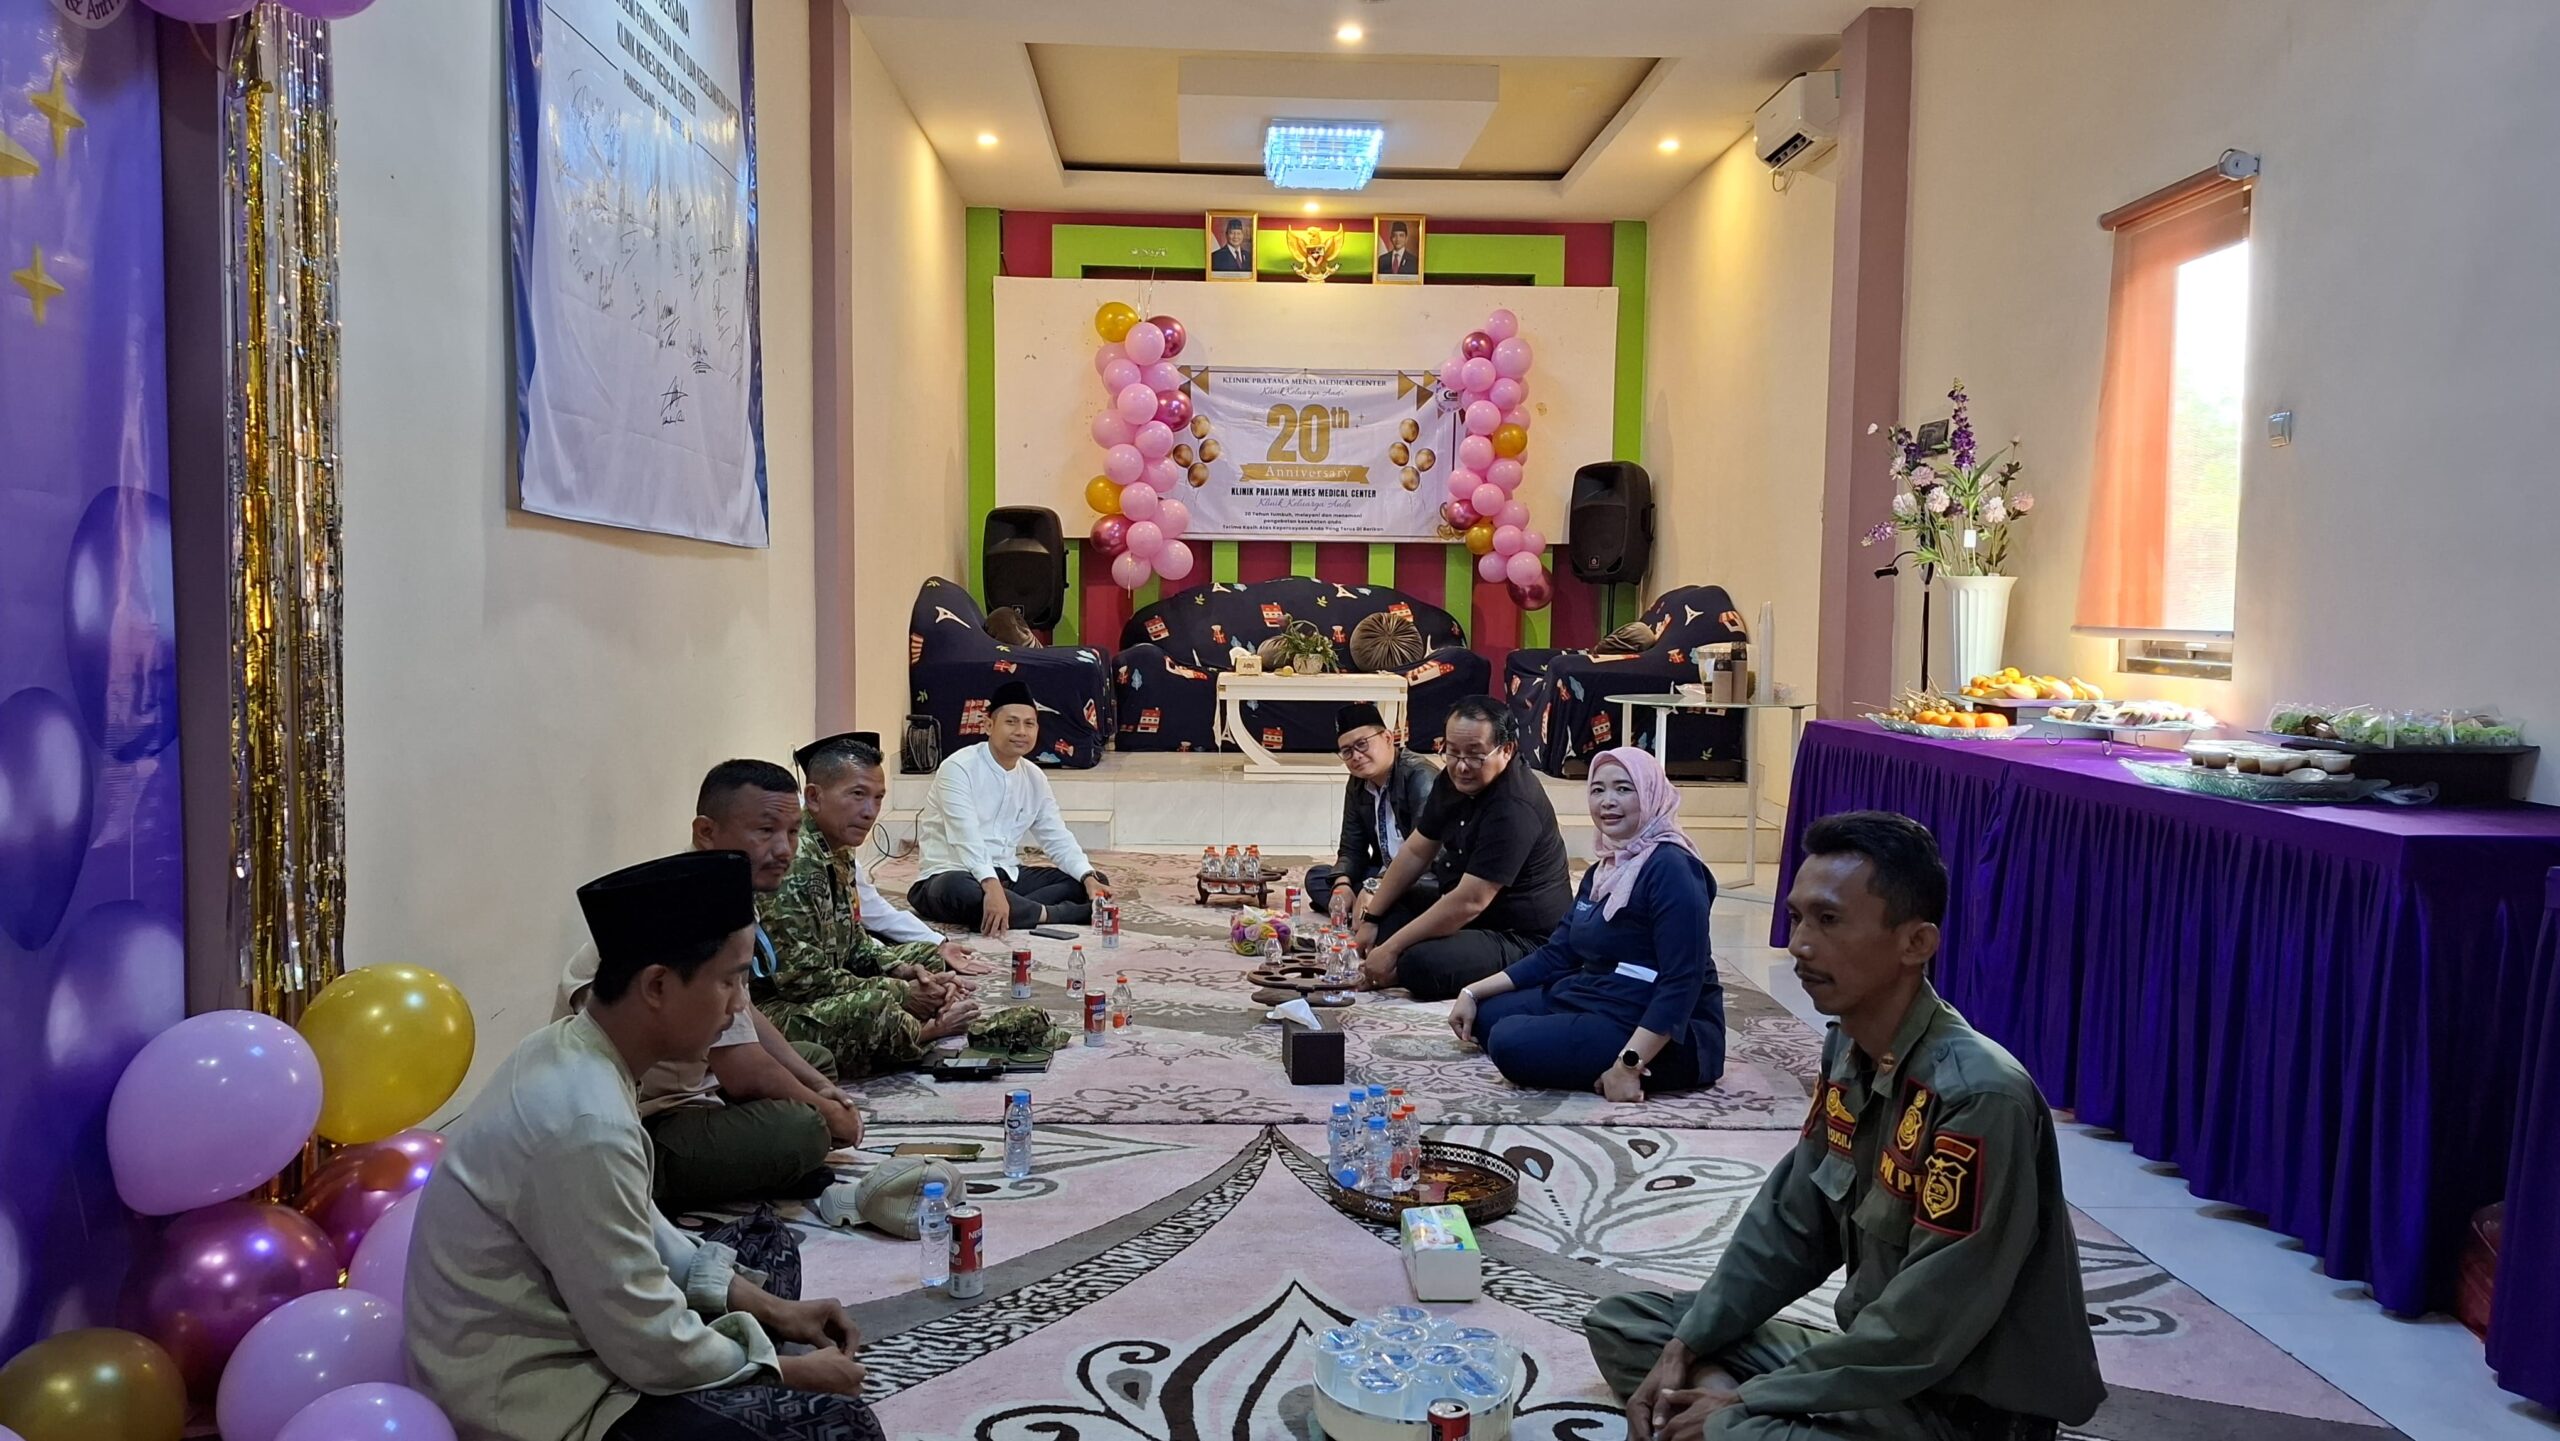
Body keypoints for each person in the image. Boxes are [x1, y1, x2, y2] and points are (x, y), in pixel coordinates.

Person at [1583, 812, 2103, 1441]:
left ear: (1916, 943)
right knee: (1630, 1324)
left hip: (1960, 1411)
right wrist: (1691, 1348)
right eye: (1797, 918)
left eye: (1828, 920)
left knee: (1736, 1431)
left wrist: (1747, 1401)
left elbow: (1924, 1326)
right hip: (1878, 1377)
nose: (1799, 945)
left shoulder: (1978, 1096)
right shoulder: (1848, 1052)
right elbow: (1790, 1223)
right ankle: (1708, 1401)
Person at [410, 850, 884, 1441]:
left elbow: (645, 1229)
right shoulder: (585, 1125)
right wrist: (782, 1372)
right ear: (657, 985)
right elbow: (648, 1346)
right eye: (729, 980)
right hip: (547, 1403)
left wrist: (773, 1310)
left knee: (767, 1247)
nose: (740, 1004)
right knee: (840, 1426)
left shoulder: (569, 1047)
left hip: (592, 1335)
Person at [558, 761, 864, 1215]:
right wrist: (828, 1109)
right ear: (706, 832)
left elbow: (742, 1011)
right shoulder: (692, 912)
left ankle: (757, 1160)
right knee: (803, 1128)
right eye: (765, 830)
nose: (784, 849)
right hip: (640, 1121)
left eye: (793, 832)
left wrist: (818, 1086)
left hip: (697, 1084)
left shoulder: (721, 890)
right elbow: (743, 1067)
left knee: (814, 1063)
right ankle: (680, 1177)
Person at [761, 734, 1061, 1079]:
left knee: (926, 956)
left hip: (828, 981)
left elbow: (855, 942)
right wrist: (903, 993)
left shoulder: (837, 847)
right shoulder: (795, 863)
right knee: (875, 1010)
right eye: (857, 795)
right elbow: (804, 981)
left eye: (878, 798)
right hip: (780, 1009)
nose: (869, 812)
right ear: (814, 797)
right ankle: (926, 1031)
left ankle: (917, 1014)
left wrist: (907, 972)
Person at [1448, 747, 1724, 1098]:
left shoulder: (1673, 868)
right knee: (1485, 1014)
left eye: (1623, 789)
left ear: (1651, 793)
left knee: (1508, 1042)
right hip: (1600, 994)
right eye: (1597, 790)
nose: (1608, 801)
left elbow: (1682, 980)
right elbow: (1558, 953)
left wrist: (1627, 1067)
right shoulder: (1605, 868)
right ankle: (1580, 1047)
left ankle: (1631, 1063)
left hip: (1663, 1025)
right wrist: (1472, 991)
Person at [1353, 694, 1573, 1000]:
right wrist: (1372, 918)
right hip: (1467, 908)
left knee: (1420, 964)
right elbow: (1416, 851)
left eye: (1475, 755)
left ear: (1506, 750)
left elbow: (1471, 901)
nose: (1461, 766)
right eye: (1452, 752)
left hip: (1521, 936)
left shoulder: (1514, 806)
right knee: (1387, 908)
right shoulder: (1452, 779)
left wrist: (1391, 949)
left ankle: (1402, 965)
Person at [908, 681, 1112, 936]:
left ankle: (1011, 909)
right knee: (960, 890)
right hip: (951, 873)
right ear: (988, 725)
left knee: (1092, 881)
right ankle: (1056, 914)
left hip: (1009, 875)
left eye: (1029, 724)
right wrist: (990, 885)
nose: (1021, 731)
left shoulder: (1034, 777)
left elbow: (1056, 837)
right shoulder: (958, 768)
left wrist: (1088, 876)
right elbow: (965, 836)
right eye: (1011, 722)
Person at [1305, 702, 1438, 927]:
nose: (1356, 756)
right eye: (1347, 751)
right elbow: (1351, 848)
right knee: (1318, 876)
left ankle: (1371, 912)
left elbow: (1426, 856)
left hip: (1420, 877)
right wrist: (1342, 885)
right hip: (1381, 873)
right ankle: (1365, 910)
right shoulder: (1358, 782)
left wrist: (1376, 887)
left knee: (1416, 896)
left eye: (1362, 744)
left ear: (1387, 738)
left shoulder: (1420, 777)